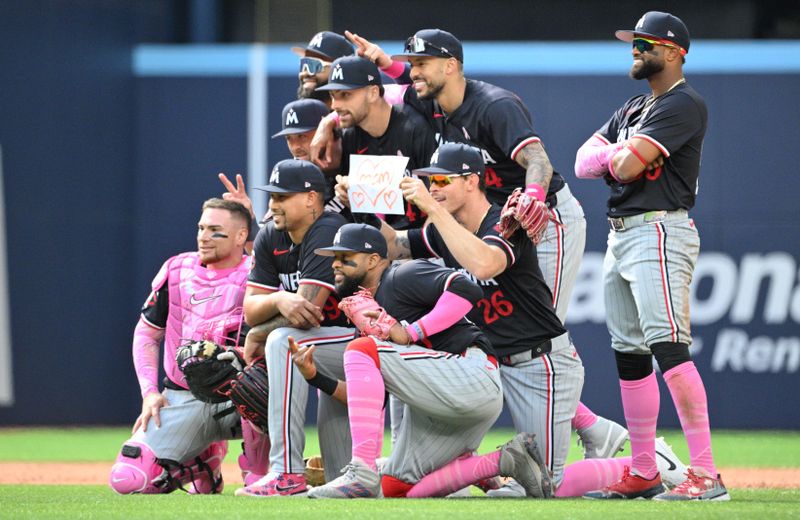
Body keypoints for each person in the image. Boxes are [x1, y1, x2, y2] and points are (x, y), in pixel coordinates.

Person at [313, 32, 629, 470]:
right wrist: (338, 116)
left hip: (541, 218)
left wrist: (533, 196)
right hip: (484, 222)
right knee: (496, 328)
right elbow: (387, 92)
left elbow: (539, 160)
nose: (415, 71)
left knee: (534, 334)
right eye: (413, 63)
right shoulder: (432, 102)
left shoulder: (494, 105)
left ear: (451, 66)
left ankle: (595, 438)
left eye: (424, 62)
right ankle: (592, 427)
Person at [378, 142, 686, 497]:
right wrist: (371, 205)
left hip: (537, 363)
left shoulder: (509, 220)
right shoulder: (444, 232)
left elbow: (484, 263)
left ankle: (652, 463)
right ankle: (489, 470)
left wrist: (431, 208)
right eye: (430, 182)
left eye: (443, 181)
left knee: (546, 485)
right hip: (486, 368)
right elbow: (391, 247)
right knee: (416, 476)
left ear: (472, 181)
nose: (434, 189)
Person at [574, 12, 729, 501]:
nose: (636, 49)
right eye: (634, 42)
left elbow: (621, 164)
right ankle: (643, 469)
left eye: (647, 43)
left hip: (660, 229)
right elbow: (585, 162)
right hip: (621, 234)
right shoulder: (636, 106)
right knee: (630, 357)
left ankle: (706, 475)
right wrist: (624, 154)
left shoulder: (684, 104)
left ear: (676, 51)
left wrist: (622, 157)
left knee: (668, 350)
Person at [306, 223, 551, 499]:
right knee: (396, 487)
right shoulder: (369, 315)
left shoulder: (401, 275)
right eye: (334, 258)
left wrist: (411, 332)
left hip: (471, 376)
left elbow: (468, 290)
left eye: (344, 257)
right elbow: (372, 397)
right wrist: (315, 377)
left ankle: (361, 473)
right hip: (440, 404)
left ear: (374, 260)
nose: (335, 265)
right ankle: (499, 463)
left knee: (360, 348)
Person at [109, 199, 269, 494]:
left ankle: (258, 471)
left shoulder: (260, 276)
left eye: (215, 230)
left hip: (244, 398)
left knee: (262, 385)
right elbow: (146, 334)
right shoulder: (176, 269)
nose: (204, 236)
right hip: (183, 397)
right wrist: (149, 393)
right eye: (201, 228)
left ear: (240, 236)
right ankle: (204, 460)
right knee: (129, 477)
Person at [234, 159, 357, 497]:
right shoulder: (271, 235)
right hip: (324, 347)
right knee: (341, 478)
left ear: (311, 199)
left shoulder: (329, 227)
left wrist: (261, 331)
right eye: (272, 196)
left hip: (359, 341)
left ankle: (286, 471)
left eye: (283, 196)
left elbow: (308, 311)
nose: (273, 204)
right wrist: (278, 302)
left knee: (280, 341)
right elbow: (251, 310)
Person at [315, 55, 437, 231]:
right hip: (383, 242)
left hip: (425, 242)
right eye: (333, 96)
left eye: (345, 95)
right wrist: (351, 200)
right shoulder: (350, 135)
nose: (335, 105)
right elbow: (372, 215)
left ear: (373, 93)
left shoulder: (415, 127)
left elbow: (443, 203)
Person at [292, 31, 355, 106]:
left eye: (315, 64)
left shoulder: (356, 115)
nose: (305, 73)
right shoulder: (303, 115)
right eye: (304, 63)